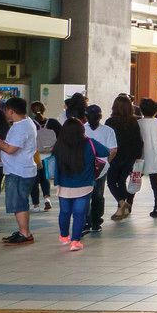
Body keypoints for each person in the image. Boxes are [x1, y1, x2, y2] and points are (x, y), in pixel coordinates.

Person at [0, 95, 38, 245]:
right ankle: (22, 231)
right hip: (19, 168)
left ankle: (25, 233)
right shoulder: (25, 122)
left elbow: (10, 149)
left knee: (19, 203)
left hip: (19, 171)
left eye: (5, 110)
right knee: (18, 202)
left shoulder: (22, 127)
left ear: (11, 111)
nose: (4, 113)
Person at [50, 116, 107, 251]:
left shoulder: (59, 144)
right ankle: (75, 241)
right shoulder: (89, 143)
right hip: (84, 185)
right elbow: (105, 152)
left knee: (64, 212)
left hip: (64, 185)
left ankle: (64, 236)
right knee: (79, 213)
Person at [105, 95, 144, 221]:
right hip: (130, 157)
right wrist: (138, 156)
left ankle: (122, 204)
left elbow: (108, 141)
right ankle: (121, 208)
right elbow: (139, 141)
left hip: (115, 156)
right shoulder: (133, 121)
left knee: (111, 181)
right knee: (121, 181)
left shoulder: (110, 122)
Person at [134, 98, 157, 218]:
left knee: (134, 181)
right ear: (155, 111)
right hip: (155, 156)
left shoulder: (137, 123)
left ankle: (128, 205)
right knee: (156, 185)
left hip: (140, 157)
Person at [80, 106, 114, 235]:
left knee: (88, 195)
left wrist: (105, 164)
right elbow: (113, 150)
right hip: (93, 168)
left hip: (94, 168)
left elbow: (113, 150)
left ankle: (91, 222)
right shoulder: (83, 129)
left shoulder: (82, 129)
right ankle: (94, 222)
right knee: (97, 195)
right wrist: (106, 163)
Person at [28, 102, 58, 211]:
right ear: (44, 109)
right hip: (49, 156)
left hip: (35, 156)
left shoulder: (30, 123)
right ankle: (47, 199)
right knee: (45, 179)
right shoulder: (53, 122)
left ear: (32, 110)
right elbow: (61, 136)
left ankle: (35, 205)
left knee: (34, 180)